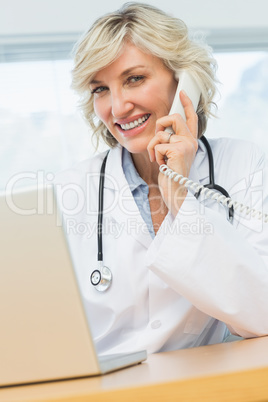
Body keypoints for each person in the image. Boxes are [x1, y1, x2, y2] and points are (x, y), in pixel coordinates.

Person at [55, 2, 268, 355]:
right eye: (100, 89)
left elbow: (262, 314)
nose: (118, 107)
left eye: (134, 79)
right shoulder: (69, 189)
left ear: (185, 80)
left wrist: (181, 199)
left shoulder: (245, 165)